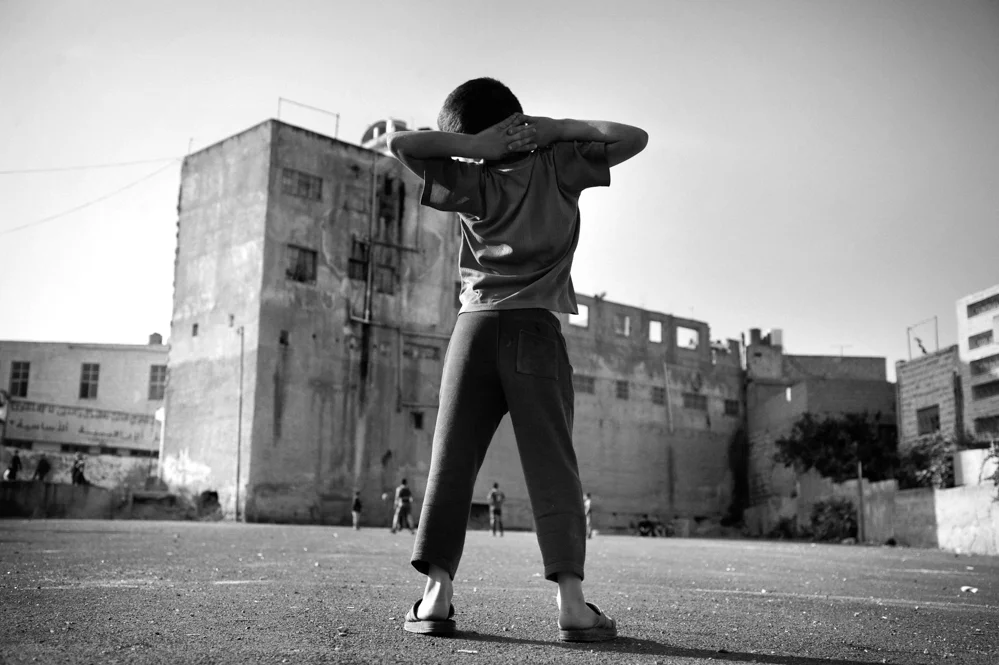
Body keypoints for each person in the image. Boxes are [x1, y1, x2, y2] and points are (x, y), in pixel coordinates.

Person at [387, 77, 647, 641]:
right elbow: (634, 138)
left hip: (474, 331)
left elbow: (401, 145)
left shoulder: (470, 179)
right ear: (519, 122)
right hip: (535, 331)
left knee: (451, 463)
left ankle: (435, 597)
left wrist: (477, 152)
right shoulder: (558, 165)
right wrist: (556, 129)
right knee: (553, 466)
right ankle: (573, 606)